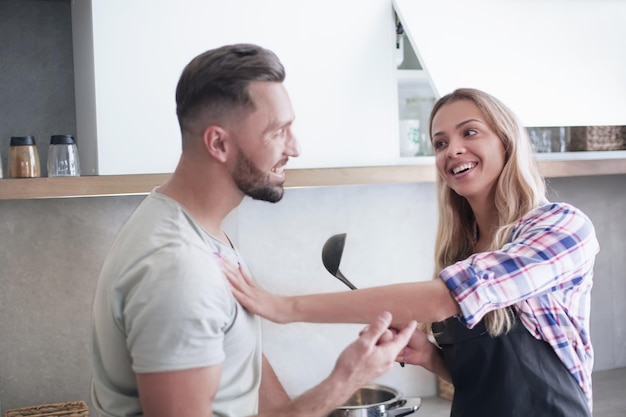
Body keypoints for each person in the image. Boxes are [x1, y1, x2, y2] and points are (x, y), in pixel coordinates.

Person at [224, 88, 600, 417]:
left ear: (506, 142)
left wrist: (283, 308)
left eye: (469, 132)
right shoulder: (460, 253)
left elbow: (444, 298)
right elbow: (492, 383)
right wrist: (430, 357)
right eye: (439, 142)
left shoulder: (562, 228)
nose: (452, 150)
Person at [90, 43, 417, 417]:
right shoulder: (180, 269)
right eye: (278, 131)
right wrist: (345, 380)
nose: (295, 147)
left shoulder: (201, 232)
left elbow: (241, 364)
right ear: (218, 143)